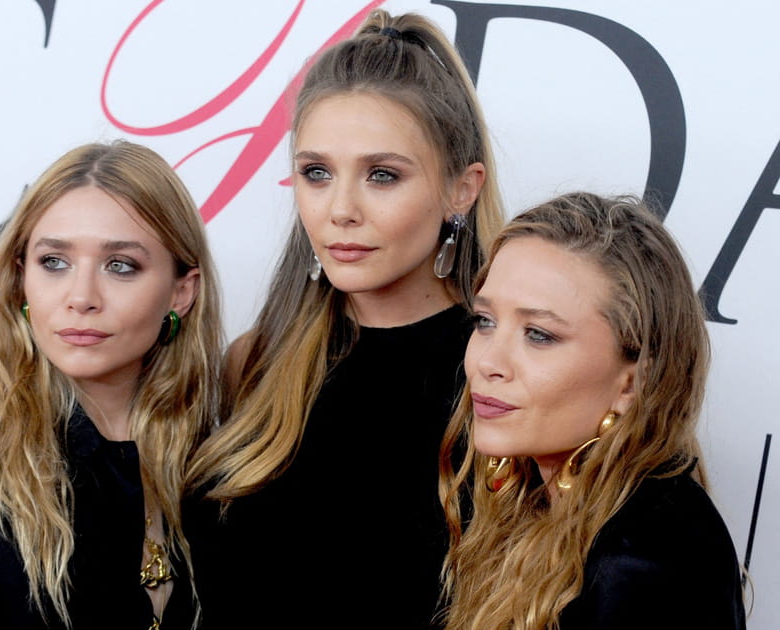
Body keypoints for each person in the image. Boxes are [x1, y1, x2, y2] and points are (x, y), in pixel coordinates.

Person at [185, 9, 504, 629]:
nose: (340, 210)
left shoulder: (498, 380)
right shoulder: (255, 363)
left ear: (461, 190)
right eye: (316, 173)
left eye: (382, 175)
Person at [0, 140, 221, 630]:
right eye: (54, 261)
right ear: (20, 278)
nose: (81, 297)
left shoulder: (219, 470)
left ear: (182, 291)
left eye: (120, 266)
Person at [440, 192, 746, 630]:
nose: (488, 363)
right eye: (485, 321)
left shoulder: (642, 564)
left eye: (539, 335)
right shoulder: (556, 505)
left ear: (633, 379)